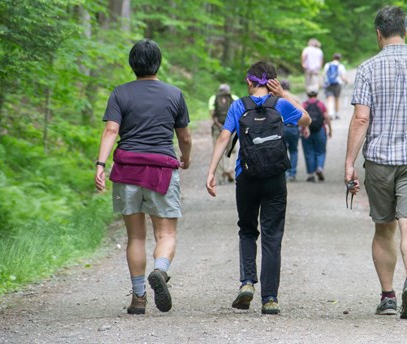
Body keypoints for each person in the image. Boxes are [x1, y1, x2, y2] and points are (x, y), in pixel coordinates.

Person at [344, 6, 407, 319]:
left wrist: (349, 162)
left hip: (380, 160)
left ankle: (388, 296)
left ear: (379, 33)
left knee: (384, 229)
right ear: (405, 30)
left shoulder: (367, 69)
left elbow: (361, 118)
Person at [95, 39, 192, 315]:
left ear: (132, 64)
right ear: (158, 63)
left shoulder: (120, 93)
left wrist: (101, 164)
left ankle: (138, 298)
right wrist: (186, 157)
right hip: (161, 169)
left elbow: (111, 131)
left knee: (135, 237)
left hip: (127, 169)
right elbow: (183, 135)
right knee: (166, 233)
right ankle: (160, 271)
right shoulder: (174, 94)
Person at [206, 61, 311, 315]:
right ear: (273, 82)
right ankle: (270, 299)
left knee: (247, 230)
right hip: (275, 178)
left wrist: (211, 171)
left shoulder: (238, 105)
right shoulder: (282, 105)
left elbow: (224, 137)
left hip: (247, 177)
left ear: (249, 82)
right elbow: (306, 120)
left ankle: (247, 283)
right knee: (273, 236)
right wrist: (283, 94)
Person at [208, 84, 239, 184]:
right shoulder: (234, 98)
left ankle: (220, 177)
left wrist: (219, 125)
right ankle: (229, 169)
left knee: (218, 151)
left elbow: (212, 114)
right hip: (231, 129)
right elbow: (237, 114)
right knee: (232, 151)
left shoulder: (213, 98)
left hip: (217, 128)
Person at [301, 87, 332, 182]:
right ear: (317, 94)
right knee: (321, 151)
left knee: (309, 152)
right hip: (320, 130)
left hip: (307, 131)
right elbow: (326, 117)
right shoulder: (321, 104)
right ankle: (319, 168)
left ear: (307, 94)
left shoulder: (304, 105)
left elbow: (300, 117)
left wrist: (303, 128)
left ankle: (311, 175)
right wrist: (330, 129)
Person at [281, 80, 302, 181]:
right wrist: (304, 127)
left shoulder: (278, 98)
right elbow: (301, 113)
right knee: (294, 150)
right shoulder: (295, 98)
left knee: (282, 151)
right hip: (293, 127)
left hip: (281, 127)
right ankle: (292, 173)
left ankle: (284, 173)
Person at [322, 53, 348, 120]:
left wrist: (324, 82)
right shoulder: (341, 66)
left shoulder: (327, 65)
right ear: (339, 59)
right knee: (337, 99)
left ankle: (330, 113)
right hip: (337, 84)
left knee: (329, 99)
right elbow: (343, 77)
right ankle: (336, 114)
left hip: (328, 84)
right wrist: (346, 81)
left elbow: (324, 75)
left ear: (333, 58)